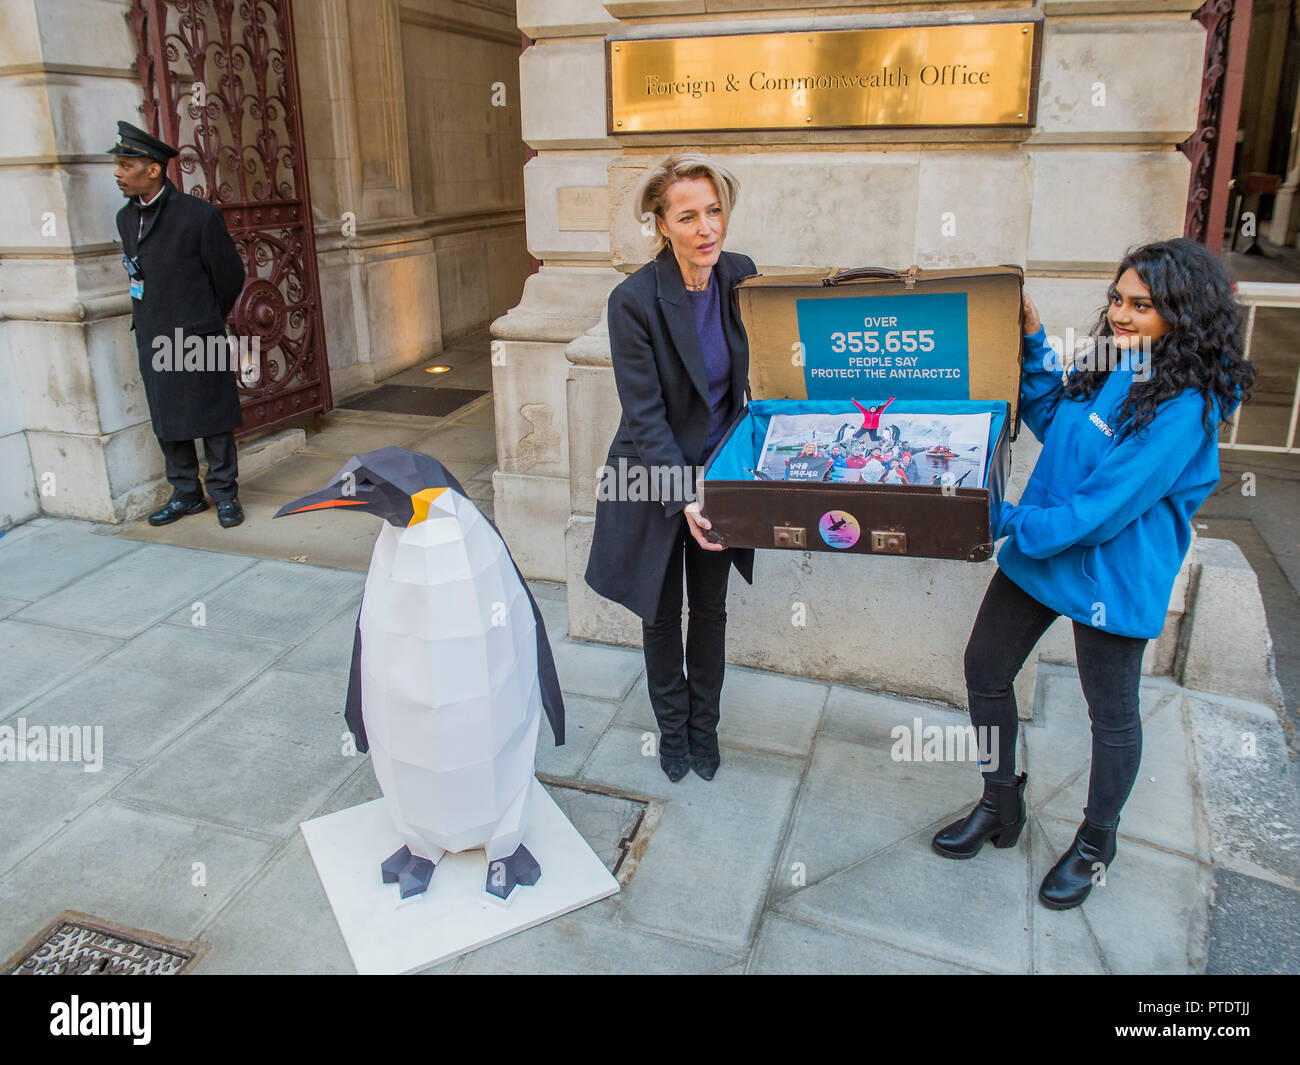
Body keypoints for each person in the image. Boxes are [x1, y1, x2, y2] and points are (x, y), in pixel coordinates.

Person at [931, 239, 1254, 910]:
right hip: (1046, 548)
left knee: (1110, 714)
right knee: (985, 668)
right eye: (1118, 298)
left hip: (1114, 571)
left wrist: (1003, 515)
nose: (1123, 314)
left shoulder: (1186, 403)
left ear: (1184, 313)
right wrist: (1033, 340)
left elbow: (1103, 511)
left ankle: (1094, 842)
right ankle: (1000, 802)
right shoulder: (1115, 358)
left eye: (1144, 305)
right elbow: (1057, 418)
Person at [584, 154, 756, 783]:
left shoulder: (740, 276)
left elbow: (755, 378)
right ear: (661, 224)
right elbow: (645, 413)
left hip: (717, 476)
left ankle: (704, 729)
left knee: (709, 611)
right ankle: (672, 731)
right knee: (660, 614)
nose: (707, 228)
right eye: (689, 216)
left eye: (715, 211)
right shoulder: (633, 300)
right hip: (652, 477)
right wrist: (683, 495)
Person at [109, 121, 248, 529]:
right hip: (153, 333)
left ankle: (224, 494)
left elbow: (229, 277)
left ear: (152, 169)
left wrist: (203, 318)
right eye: (117, 165)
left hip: (197, 332)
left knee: (214, 418)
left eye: (124, 164)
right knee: (167, 417)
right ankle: (186, 494)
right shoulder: (124, 218)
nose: (117, 173)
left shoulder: (198, 216)